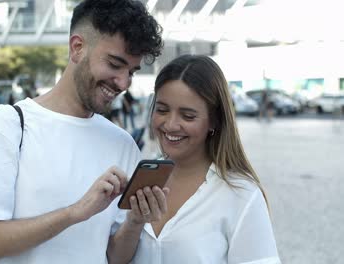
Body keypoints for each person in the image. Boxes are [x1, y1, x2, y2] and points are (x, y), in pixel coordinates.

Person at [0, 1, 165, 263]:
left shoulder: (122, 143)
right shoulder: (9, 125)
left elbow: (114, 256)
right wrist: (74, 213)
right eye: (115, 64)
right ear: (77, 48)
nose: (123, 83)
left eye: (131, 72)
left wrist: (136, 220)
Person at [109, 55, 281, 263]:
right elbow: (115, 259)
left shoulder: (241, 194)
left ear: (214, 121)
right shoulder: (141, 178)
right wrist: (134, 221)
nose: (171, 125)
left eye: (188, 116)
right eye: (162, 110)